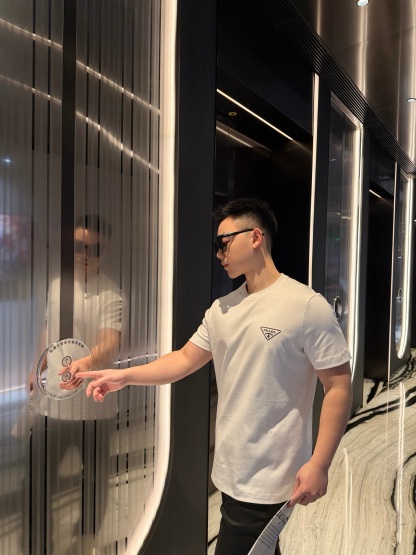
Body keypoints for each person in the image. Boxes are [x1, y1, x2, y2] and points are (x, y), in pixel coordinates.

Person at [65, 198, 352, 555]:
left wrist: (320, 463)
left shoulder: (306, 305)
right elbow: (184, 359)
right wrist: (122, 376)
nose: (218, 253)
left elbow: (338, 385)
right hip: (230, 466)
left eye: (224, 243)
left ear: (256, 237)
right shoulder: (222, 309)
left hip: (270, 472)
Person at [29, 214, 125, 554]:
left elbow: (110, 343)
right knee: (39, 478)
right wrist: (36, 368)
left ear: (105, 250)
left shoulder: (111, 294)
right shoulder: (57, 285)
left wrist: (85, 363)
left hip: (93, 406)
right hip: (51, 404)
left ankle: (86, 541)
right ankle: (39, 543)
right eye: (80, 246)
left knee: (94, 479)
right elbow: (48, 331)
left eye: (94, 248)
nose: (85, 254)